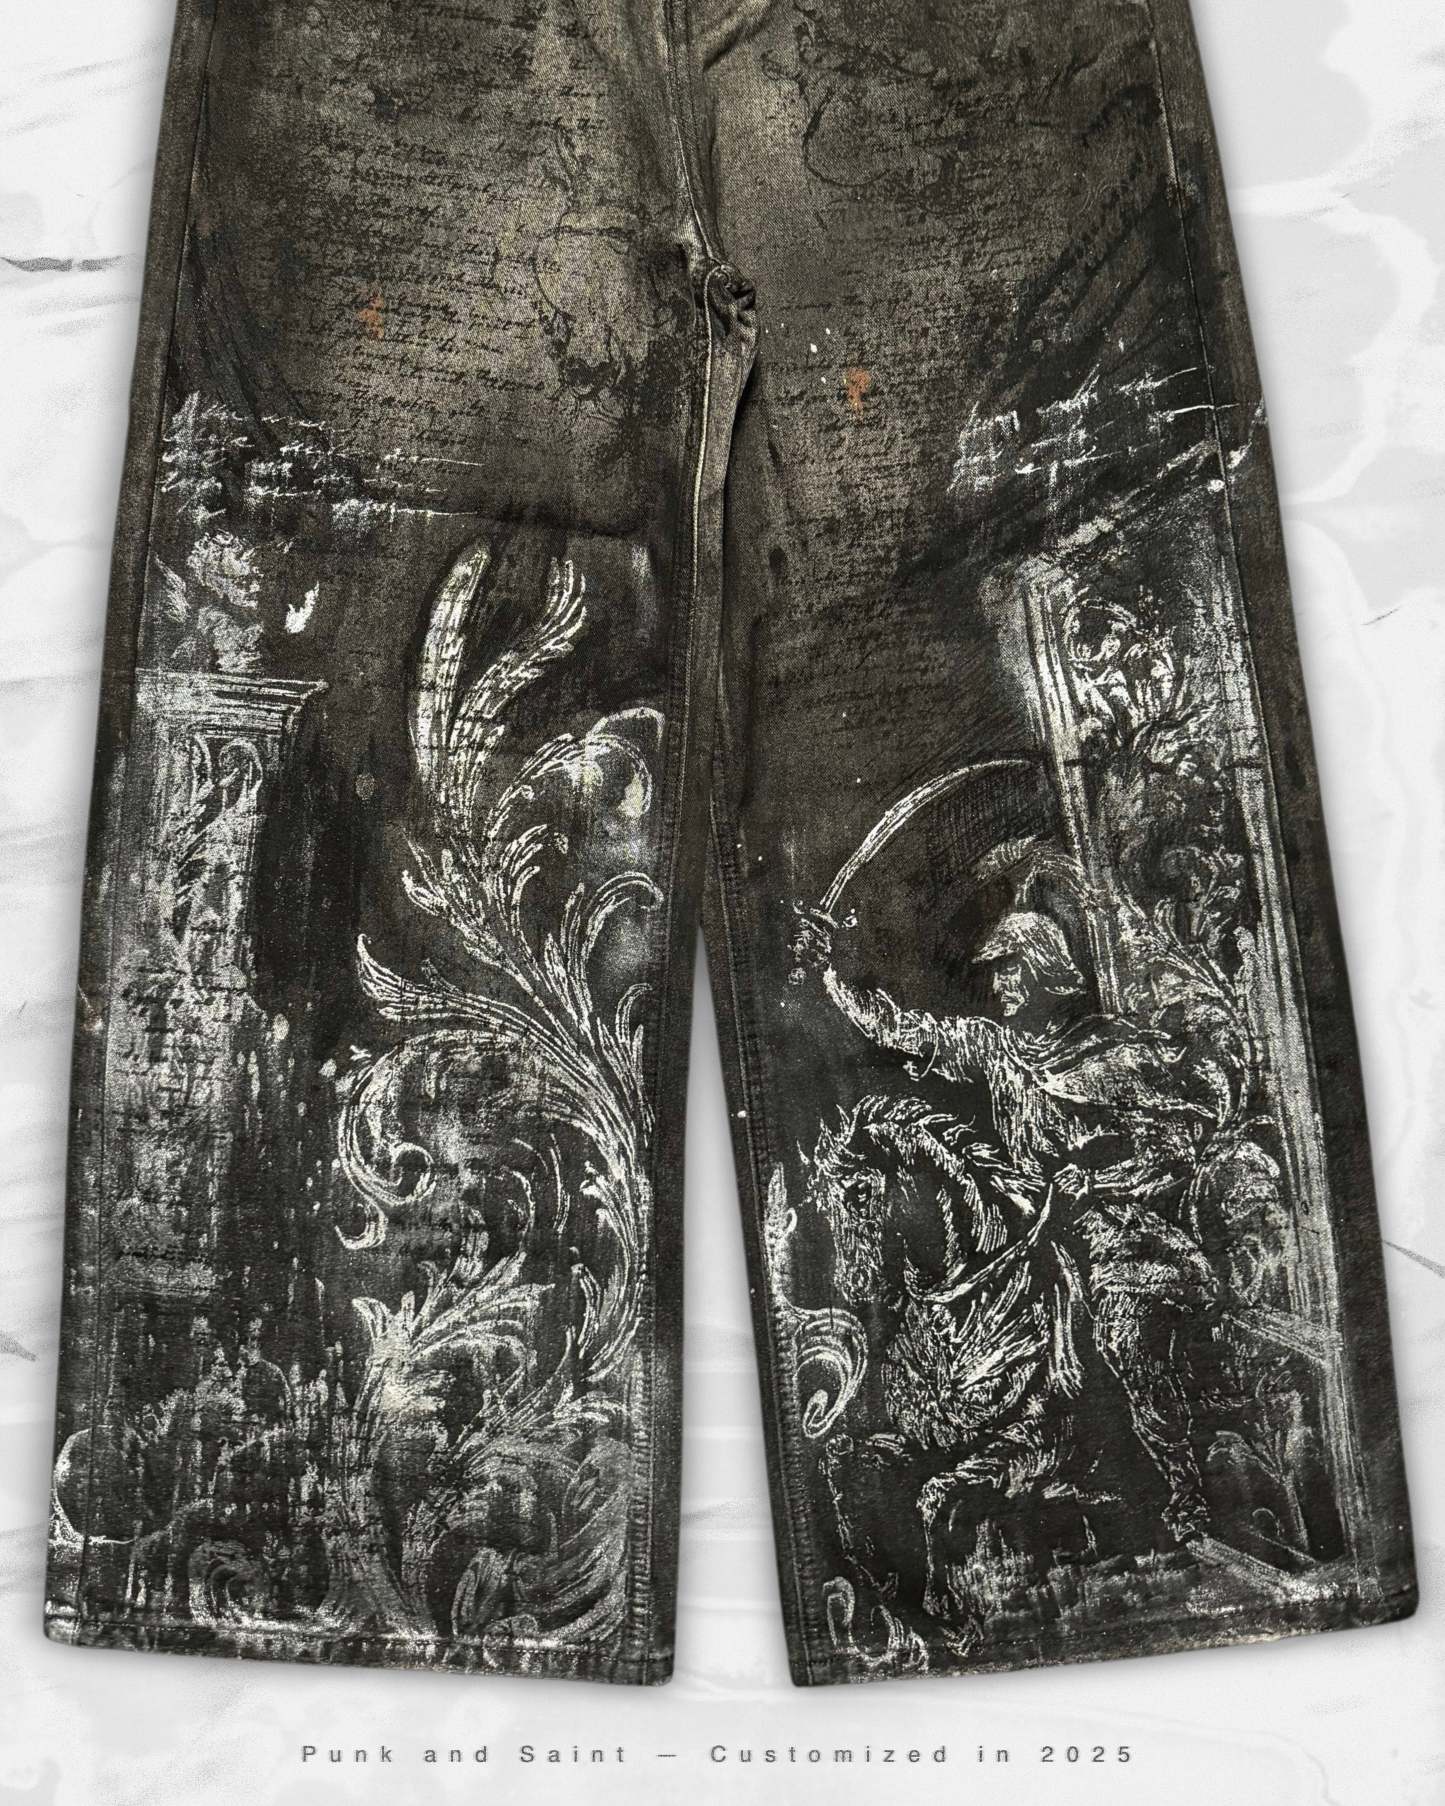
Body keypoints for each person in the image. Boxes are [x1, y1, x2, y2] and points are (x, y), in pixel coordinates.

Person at [791, 904, 1222, 1542]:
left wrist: (1096, 1183)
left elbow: (1173, 1150)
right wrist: (830, 975)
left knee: (1121, 1332)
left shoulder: (1112, 1053)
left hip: (1115, 1232)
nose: (1000, 985)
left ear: (1048, 970)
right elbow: (903, 1030)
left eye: (1013, 968)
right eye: (995, 972)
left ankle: (1182, 1482)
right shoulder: (995, 1050)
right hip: (1029, 1225)